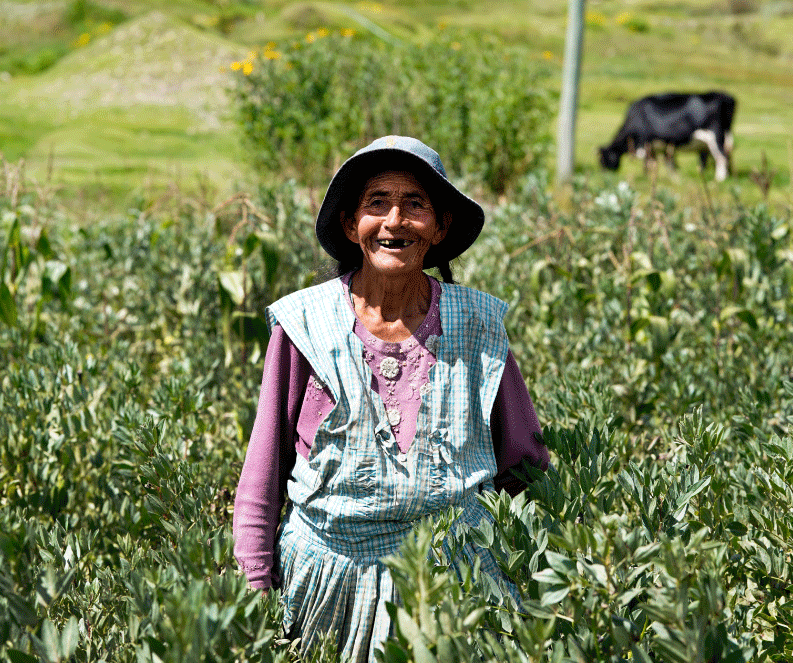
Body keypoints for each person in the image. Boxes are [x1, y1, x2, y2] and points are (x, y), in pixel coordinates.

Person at [232, 135, 550, 662]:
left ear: (441, 227)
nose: (394, 221)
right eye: (376, 203)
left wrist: (532, 584)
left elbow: (525, 467)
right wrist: (255, 596)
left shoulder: (479, 325)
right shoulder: (303, 326)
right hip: (327, 590)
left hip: (458, 591)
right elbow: (261, 481)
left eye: (415, 205)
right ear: (349, 225)